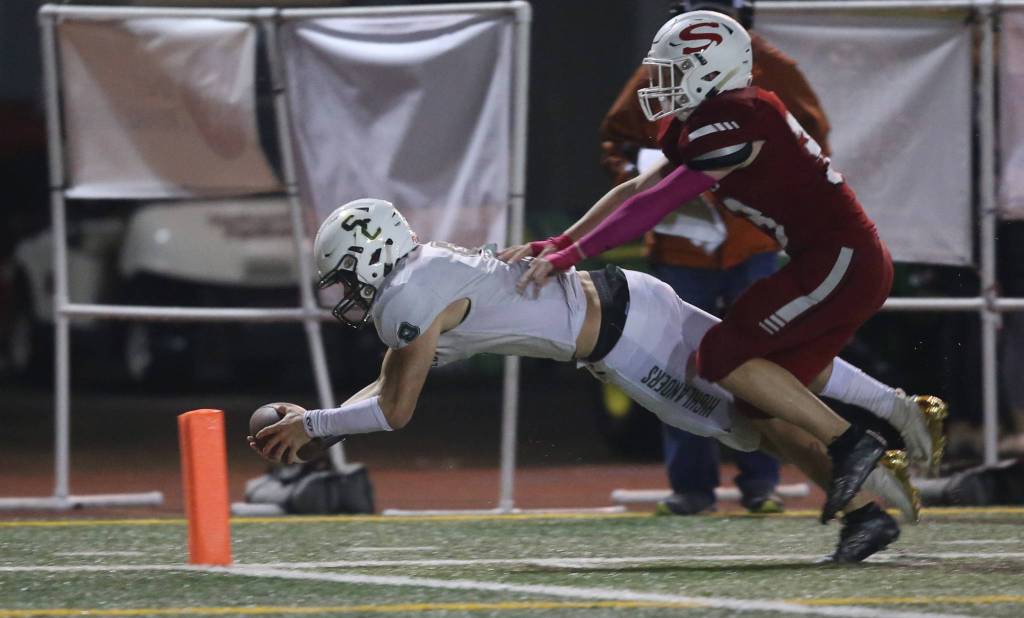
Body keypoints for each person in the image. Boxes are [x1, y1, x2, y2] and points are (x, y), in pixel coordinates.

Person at [252, 198, 932, 562]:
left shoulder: (406, 296)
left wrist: (315, 427)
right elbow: (386, 388)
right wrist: (321, 423)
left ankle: (870, 503)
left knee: (758, 425)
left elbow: (396, 412)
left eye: (344, 277)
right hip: (635, 294)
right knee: (762, 374)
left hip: (626, 343)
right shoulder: (422, 278)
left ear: (373, 256)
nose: (342, 294)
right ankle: (890, 427)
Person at [506, 10, 946, 523]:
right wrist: (563, 239)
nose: (659, 83)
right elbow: (634, 188)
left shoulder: (735, 121)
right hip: (831, 259)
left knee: (723, 356)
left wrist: (572, 256)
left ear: (710, 70)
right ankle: (901, 419)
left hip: (841, 261)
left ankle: (853, 443)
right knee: (759, 395)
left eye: (673, 70)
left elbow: (653, 206)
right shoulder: (719, 116)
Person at [598, 0, 834, 517]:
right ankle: (692, 485)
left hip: (750, 240)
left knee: (763, 362)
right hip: (686, 243)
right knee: (681, 360)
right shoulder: (662, 69)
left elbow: (813, 141)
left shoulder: (773, 74)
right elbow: (623, 150)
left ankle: (766, 479)